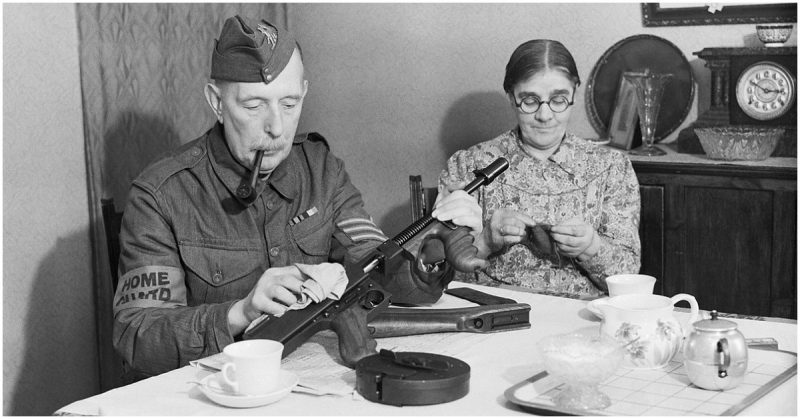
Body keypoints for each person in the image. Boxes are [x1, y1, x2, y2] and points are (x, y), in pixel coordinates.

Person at [112, 15, 485, 377]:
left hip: (311, 380)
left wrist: (432, 245)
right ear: (216, 102)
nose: (276, 127)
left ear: (304, 93)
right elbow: (136, 337)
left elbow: (377, 272)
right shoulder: (161, 194)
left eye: (289, 104)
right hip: (217, 391)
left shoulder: (322, 170)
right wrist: (240, 312)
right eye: (253, 105)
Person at [439, 39, 641, 298]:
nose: (545, 115)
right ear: (512, 98)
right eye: (530, 100)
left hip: (581, 318)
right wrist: (487, 241)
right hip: (493, 315)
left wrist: (591, 247)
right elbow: (440, 276)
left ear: (574, 94)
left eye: (558, 99)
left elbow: (629, 279)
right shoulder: (469, 165)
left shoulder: (612, 168)